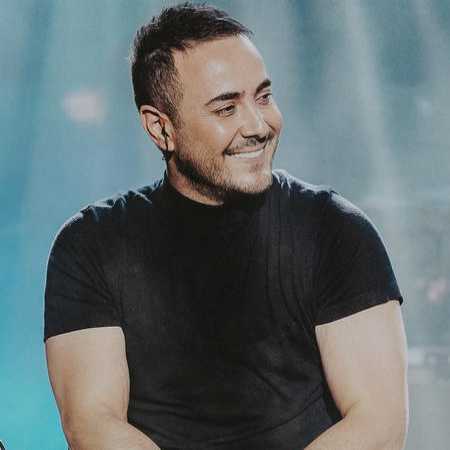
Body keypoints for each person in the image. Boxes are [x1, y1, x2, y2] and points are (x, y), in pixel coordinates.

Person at [44, 3, 409, 449]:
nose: (258, 125)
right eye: (226, 108)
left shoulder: (336, 230)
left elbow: (379, 422)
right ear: (160, 128)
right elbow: (92, 424)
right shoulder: (91, 244)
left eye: (263, 97)